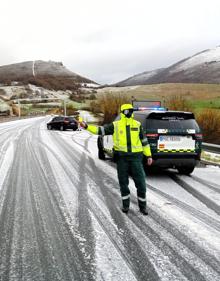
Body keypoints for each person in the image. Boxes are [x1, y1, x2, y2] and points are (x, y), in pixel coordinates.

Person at [79, 103, 152, 215]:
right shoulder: (116, 125)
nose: (130, 113)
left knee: (141, 183)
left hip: (136, 158)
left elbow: (144, 142)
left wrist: (149, 155)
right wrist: (86, 126)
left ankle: (143, 207)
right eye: (128, 111)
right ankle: (125, 206)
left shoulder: (137, 125)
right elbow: (100, 131)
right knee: (123, 183)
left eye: (131, 111)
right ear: (123, 112)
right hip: (122, 158)